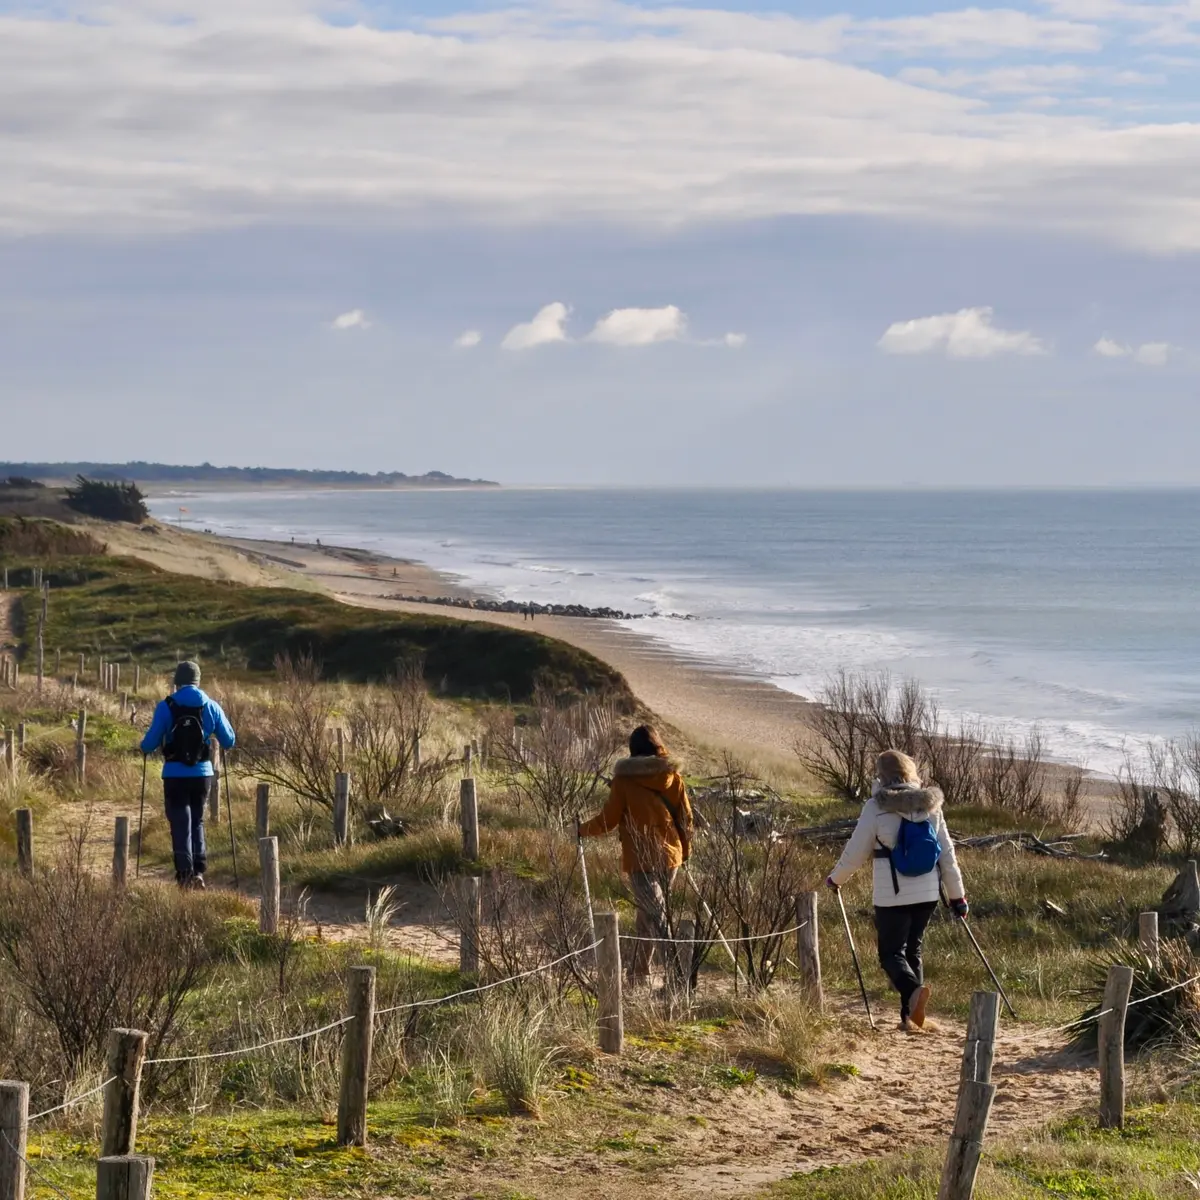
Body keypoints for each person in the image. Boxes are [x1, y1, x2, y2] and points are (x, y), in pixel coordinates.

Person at [826, 749, 967, 1031]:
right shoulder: (930, 806)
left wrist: (836, 879)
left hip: (892, 895)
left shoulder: (876, 807)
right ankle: (912, 1017)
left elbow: (855, 852)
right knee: (912, 949)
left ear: (881, 775)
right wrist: (957, 896)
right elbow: (947, 854)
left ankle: (913, 994)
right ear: (910, 773)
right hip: (928, 894)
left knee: (890, 954)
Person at [579, 725, 693, 982]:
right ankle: (639, 973)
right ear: (657, 746)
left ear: (633, 750)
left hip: (640, 859)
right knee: (649, 916)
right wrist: (685, 852)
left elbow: (608, 819)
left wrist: (582, 830)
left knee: (655, 914)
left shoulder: (625, 780)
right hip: (670, 857)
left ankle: (676, 976)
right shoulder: (672, 776)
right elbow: (686, 819)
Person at [140, 661, 236, 889]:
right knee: (197, 820)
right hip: (202, 774)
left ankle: (184, 873)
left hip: (174, 774)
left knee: (180, 821)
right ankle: (199, 873)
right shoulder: (211, 706)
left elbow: (150, 742)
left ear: (177, 681)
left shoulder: (166, 706)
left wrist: (144, 747)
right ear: (198, 680)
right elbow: (229, 740)